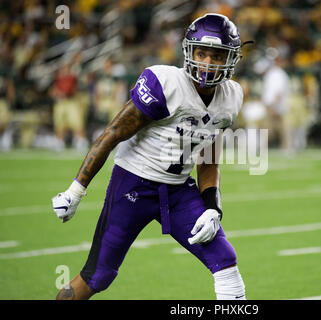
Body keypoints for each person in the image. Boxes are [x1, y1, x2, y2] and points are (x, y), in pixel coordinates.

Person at [52, 13, 247, 300]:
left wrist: (211, 207)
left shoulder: (231, 96)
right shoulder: (165, 84)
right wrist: (75, 190)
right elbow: (113, 133)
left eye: (216, 55)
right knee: (97, 277)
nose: (207, 62)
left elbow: (208, 154)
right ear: (188, 52)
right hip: (133, 185)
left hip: (179, 190)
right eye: (201, 53)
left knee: (225, 259)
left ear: (230, 59)